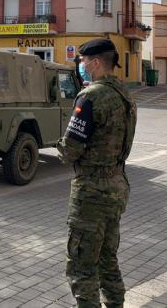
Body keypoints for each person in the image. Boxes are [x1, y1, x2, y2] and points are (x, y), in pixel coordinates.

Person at [57, 39, 137, 308]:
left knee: (81, 265)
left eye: (82, 61)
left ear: (95, 62)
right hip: (117, 185)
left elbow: (70, 149)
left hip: (91, 191)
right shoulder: (124, 93)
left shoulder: (90, 96)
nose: (80, 65)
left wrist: (59, 147)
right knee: (107, 259)